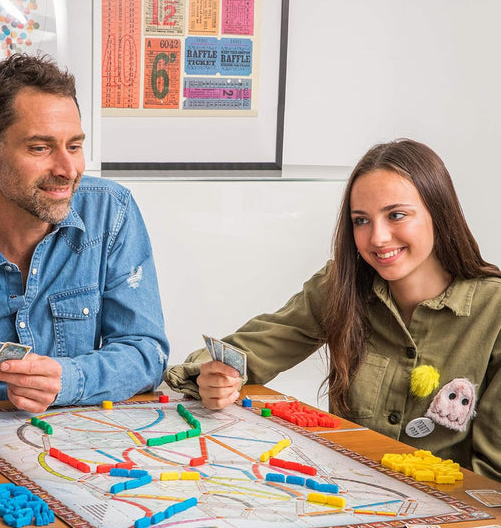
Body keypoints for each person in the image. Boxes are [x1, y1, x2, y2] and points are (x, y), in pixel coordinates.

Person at [165, 139, 501, 481]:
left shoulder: (495, 311)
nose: (378, 238)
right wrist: (212, 378)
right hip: (345, 495)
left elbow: (492, 477)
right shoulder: (340, 286)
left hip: (453, 508)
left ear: (439, 213)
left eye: (396, 215)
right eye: (361, 220)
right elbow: (245, 352)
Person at [0, 53, 169, 410]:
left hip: (79, 439)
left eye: (74, 146)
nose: (67, 169)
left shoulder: (111, 211)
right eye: (40, 148)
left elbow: (146, 351)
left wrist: (68, 380)